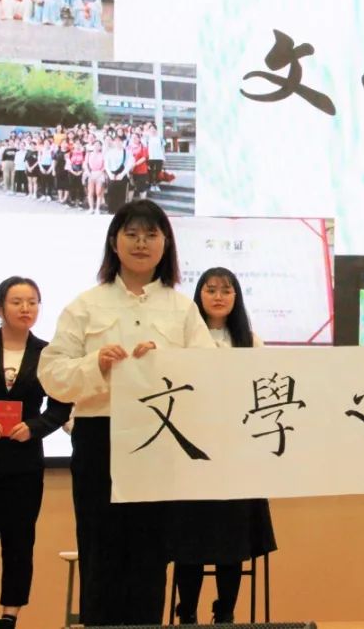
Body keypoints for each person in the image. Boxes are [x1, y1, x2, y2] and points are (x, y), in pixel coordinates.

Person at [38, 200, 218, 626]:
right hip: (100, 440)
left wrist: (166, 363)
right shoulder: (86, 305)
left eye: (151, 235)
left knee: (150, 555)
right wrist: (95, 364)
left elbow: (209, 373)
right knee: (99, 552)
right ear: (114, 242)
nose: (141, 243)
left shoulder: (182, 309)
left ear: (165, 244)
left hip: (158, 443)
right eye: (131, 234)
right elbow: (51, 374)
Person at [167, 268, 277, 624]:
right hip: (191, 454)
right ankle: (187, 614)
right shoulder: (182, 337)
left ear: (236, 297)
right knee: (190, 540)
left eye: (226, 290)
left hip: (236, 456)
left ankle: (225, 613)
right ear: (198, 295)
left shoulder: (251, 341)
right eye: (210, 289)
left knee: (233, 540)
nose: (218, 297)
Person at [0, 277, 71, 629]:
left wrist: (35, 427)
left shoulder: (47, 353)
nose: (26, 308)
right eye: (17, 302)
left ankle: (10, 616)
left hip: (24, 463)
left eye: (32, 302)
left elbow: (61, 406)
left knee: (20, 542)